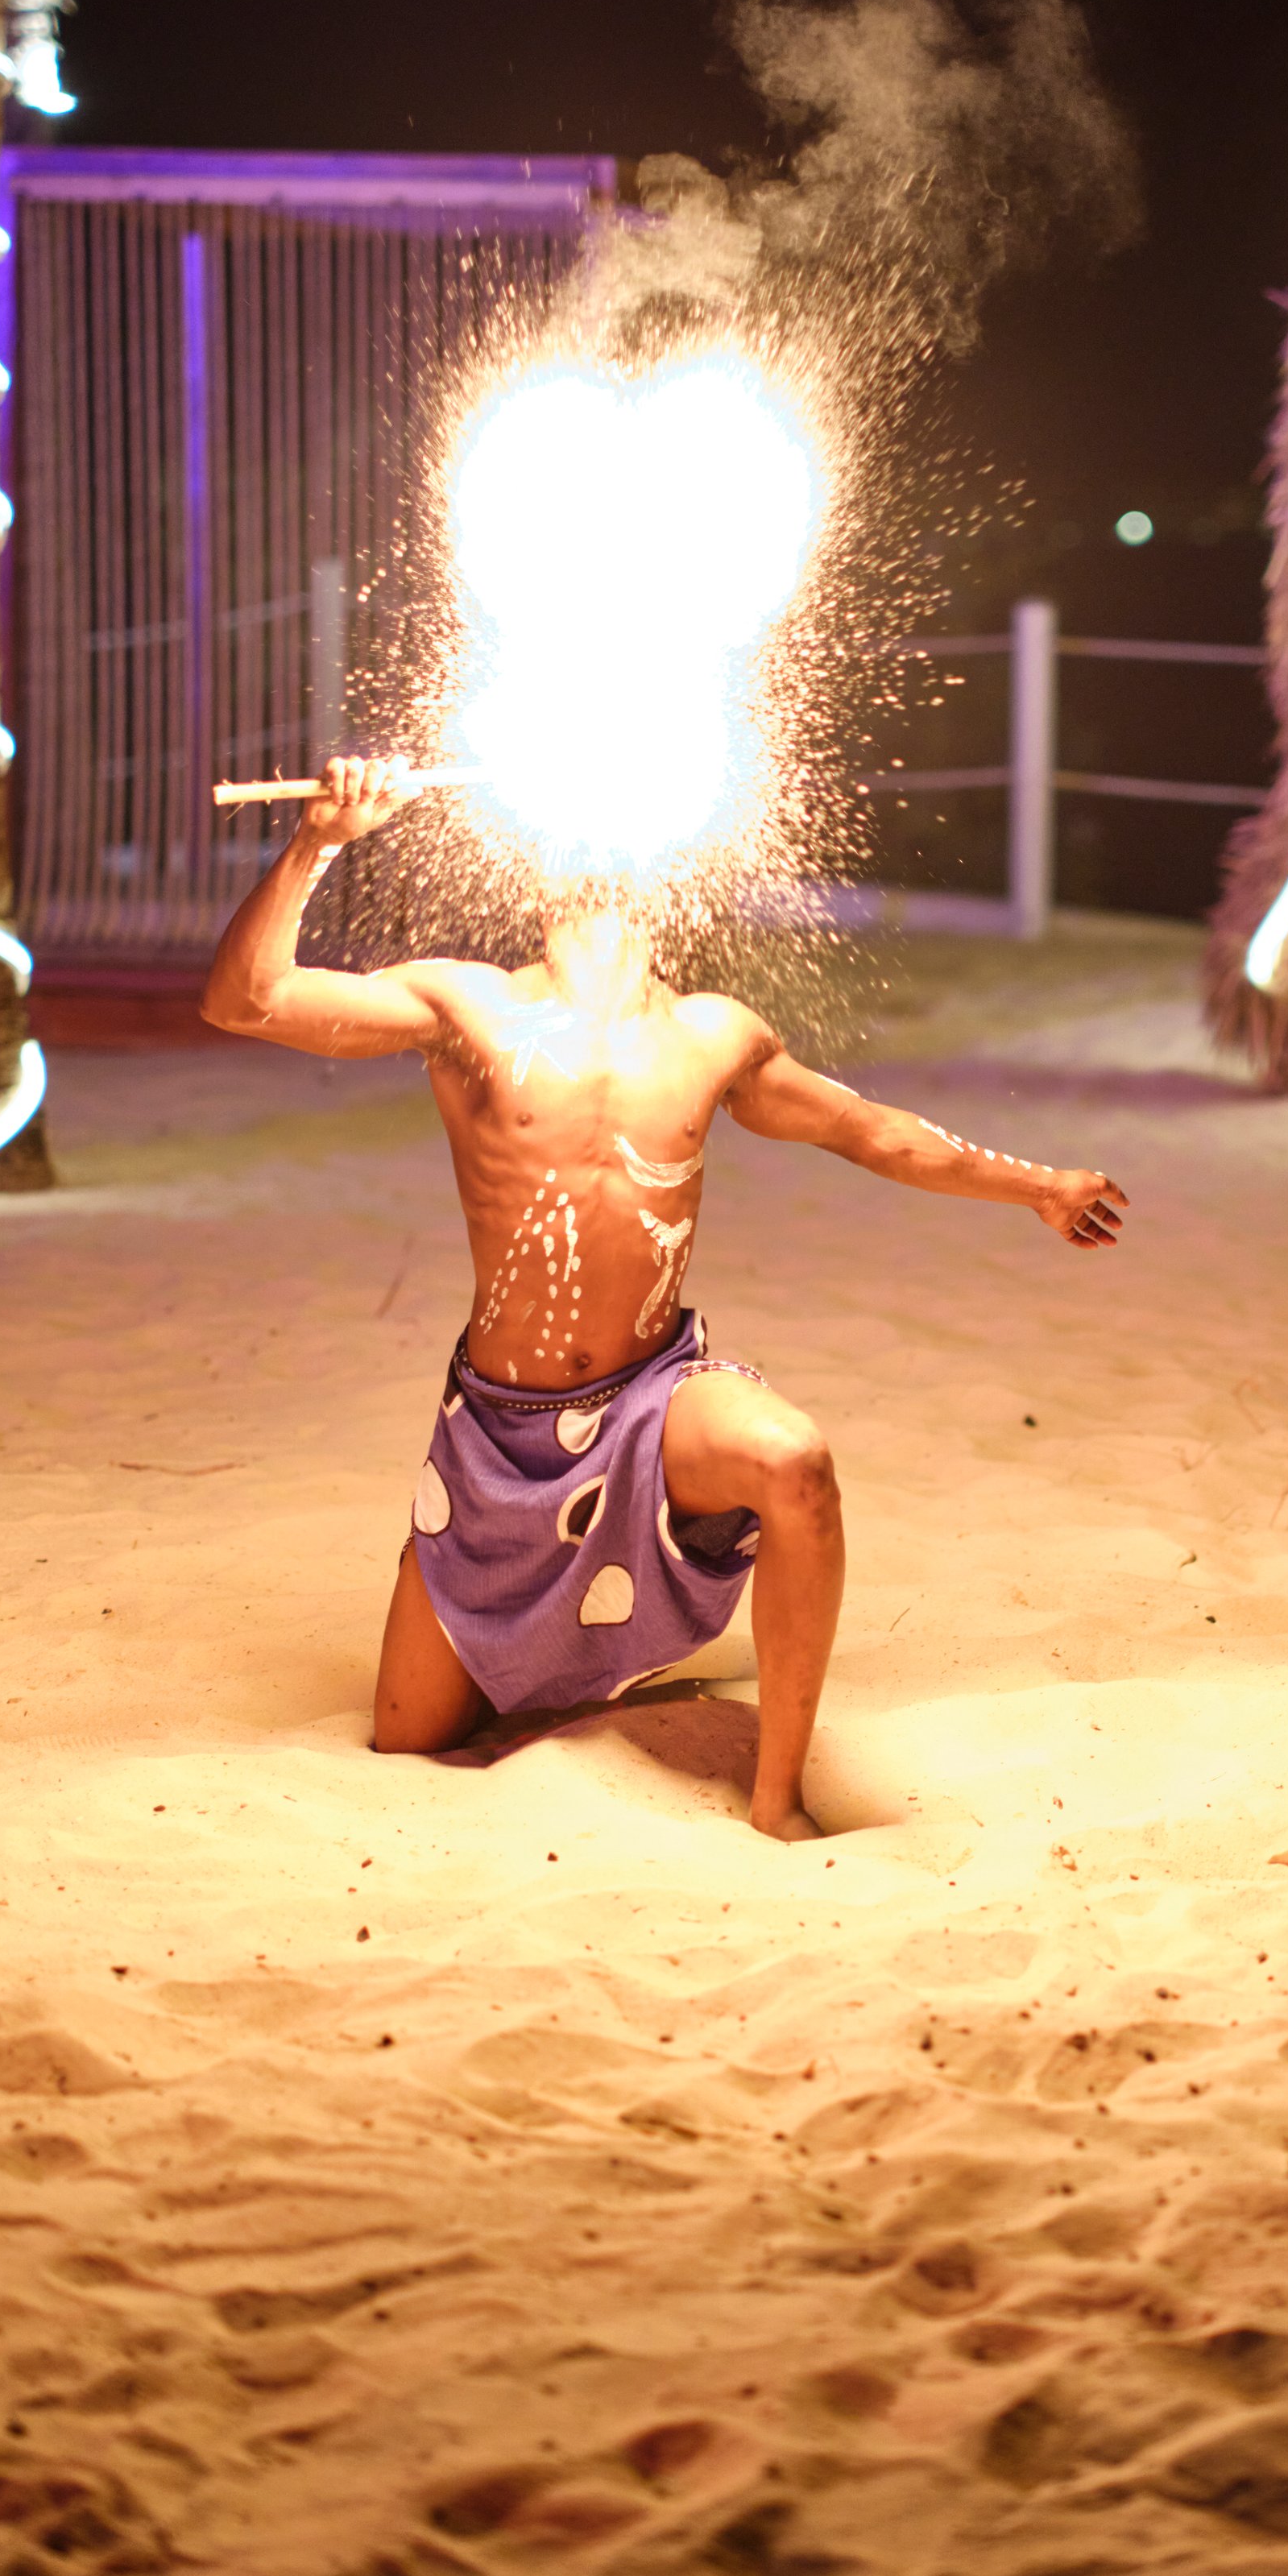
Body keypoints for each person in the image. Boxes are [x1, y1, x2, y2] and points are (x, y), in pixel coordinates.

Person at [202, 758, 1129, 1834]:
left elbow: (869, 1129)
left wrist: (1037, 1185)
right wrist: (318, 842)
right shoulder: (471, 1005)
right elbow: (246, 1000)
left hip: (649, 1407)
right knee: (410, 1738)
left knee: (793, 1462)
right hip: (500, 1441)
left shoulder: (711, 1035)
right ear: (536, 863)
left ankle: (776, 1800)